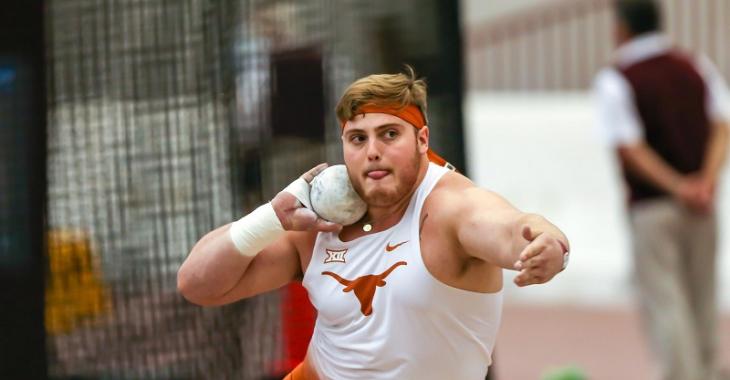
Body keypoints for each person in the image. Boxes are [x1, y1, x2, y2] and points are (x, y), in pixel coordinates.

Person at [178, 66, 570, 380]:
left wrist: (544, 242)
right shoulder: (318, 221)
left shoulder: (448, 209)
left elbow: (508, 227)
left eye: (389, 134)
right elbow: (198, 285)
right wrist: (269, 218)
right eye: (358, 139)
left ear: (422, 139)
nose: (374, 153)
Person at [594, 1, 730, 379]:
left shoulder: (617, 78)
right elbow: (722, 125)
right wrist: (706, 180)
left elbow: (631, 148)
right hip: (704, 204)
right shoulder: (695, 66)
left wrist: (678, 187)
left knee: (665, 303)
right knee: (703, 298)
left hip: (654, 209)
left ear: (622, 27)